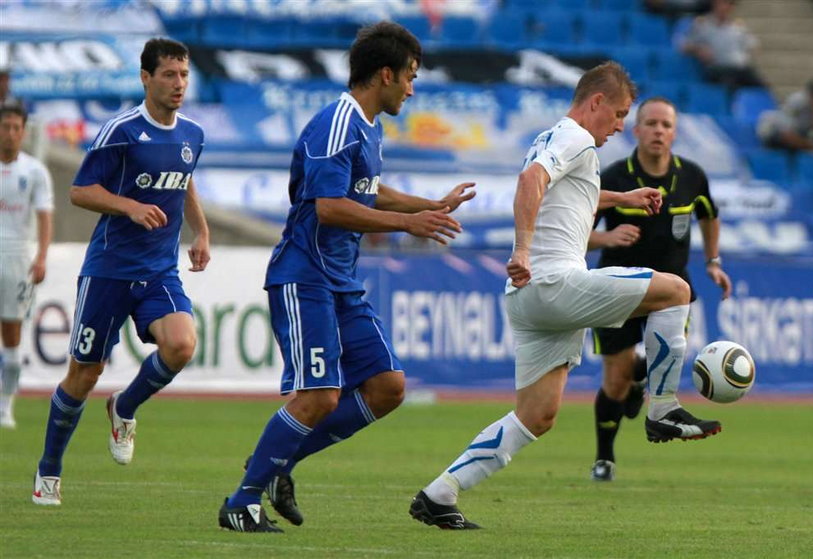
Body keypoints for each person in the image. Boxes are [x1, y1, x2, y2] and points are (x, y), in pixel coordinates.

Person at [409, 62, 721, 530]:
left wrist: (623, 198)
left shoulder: (564, 142)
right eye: (618, 114)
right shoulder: (573, 136)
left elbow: (568, 196)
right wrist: (522, 250)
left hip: (533, 300)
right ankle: (662, 408)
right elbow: (529, 181)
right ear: (595, 102)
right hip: (552, 283)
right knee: (677, 290)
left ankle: (439, 494)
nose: (620, 126)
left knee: (537, 415)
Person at [218, 21, 476, 534]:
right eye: (410, 76)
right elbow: (332, 207)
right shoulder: (336, 123)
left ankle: (277, 464)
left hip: (340, 280)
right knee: (319, 397)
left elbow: (368, 190)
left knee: (387, 386)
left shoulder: (369, 125)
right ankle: (241, 501)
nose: (412, 87)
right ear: (385, 73)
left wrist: (430, 203)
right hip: (304, 276)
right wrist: (409, 223)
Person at [32, 38, 210, 506]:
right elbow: (80, 190)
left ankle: (124, 406)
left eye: (184, 75)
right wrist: (129, 206)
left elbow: (185, 179)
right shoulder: (122, 131)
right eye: (169, 75)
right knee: (83, 375)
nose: (178, 84)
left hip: (158, 270)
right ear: (145, 78)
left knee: (182, 344)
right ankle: (49, 469)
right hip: (109, 271)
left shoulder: (192, 133)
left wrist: (202, 232)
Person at [586, 97, 732, 482]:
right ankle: (604, 457)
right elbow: (573, 233)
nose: (658, 130)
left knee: (661, 367)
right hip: (616, 292)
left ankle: (643, 378)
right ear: (636, 130)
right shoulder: (615, 177)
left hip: (669, 297)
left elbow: (709, 216)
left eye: (665, 125)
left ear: (674, 132)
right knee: (616, 381)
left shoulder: (692, 177)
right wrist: (607, 236)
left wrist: (713, 262)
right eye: (650, 123)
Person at [0, 105, 54, 429]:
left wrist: (43, 255)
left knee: (12, 334)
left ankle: (6, 405)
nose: (9, 133)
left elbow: (45, 215)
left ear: (23, 131)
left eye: (14, 127)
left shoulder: (34, 171)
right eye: (4, 126)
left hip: (17, 256)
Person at [680, 0, 763, 91]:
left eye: (730, 4)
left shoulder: (738, 26)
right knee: (729, 83)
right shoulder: (703, 24)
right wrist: (698, 49)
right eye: (724, 3)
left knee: (758, 83)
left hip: (739, 68)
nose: (727, 7)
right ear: (716, 4)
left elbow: (752, 44)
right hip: (718, 67)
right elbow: (685, 46)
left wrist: (751, 52)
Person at [758, 78, 813, 152]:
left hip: (799, 133)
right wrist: (808, 145)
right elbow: (785, 134)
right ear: (808, 94)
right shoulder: (796, 102)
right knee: (788, 144)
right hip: (774, 131)